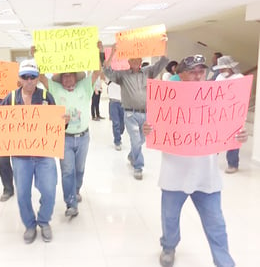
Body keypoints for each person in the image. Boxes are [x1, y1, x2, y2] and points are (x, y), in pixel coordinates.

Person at [143, 55, 248, 267]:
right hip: (174, 175)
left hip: (206, 176)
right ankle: (169, 246)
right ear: (181, 75)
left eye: (202, 71)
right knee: (170, 220)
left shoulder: (217, 99)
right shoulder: (167, 100)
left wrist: (238, 136)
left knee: (216, 224)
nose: (198, 75)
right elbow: (154, 129)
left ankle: (224, 261)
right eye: (193, 71)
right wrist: (149, 129)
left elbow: (229, 130)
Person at [0, 59, 58, 243]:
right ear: (20, 79)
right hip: (21, 157)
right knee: (22, 194)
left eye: (33, 77)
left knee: (49, 191)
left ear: (38, 78)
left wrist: (64, 121)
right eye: (25, 77)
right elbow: (0, 120)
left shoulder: (47, 97)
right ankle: (30, 225)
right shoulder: (12, 98)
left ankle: (44, 221)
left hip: (44, 154)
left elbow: (57, 124)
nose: (29, 80)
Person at [36, 41, 101, 218]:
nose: (67, 79)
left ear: (75, 77)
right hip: (63, 137)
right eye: (64, 76)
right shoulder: (55, 89)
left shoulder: (84, 87)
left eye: (70, 76)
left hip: (83, 137)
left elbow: (96, 72)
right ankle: (70, 202)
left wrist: (97, 52)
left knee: (79, 169)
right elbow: (41, 77)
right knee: (67, 171)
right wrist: (36, 55)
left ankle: (77, 189)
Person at [103, 43, 169, 180]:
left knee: (142, 139)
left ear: (140, 61)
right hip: (130, 113)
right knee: (135, 139)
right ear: (128, 61)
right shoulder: (123, 75)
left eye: (137, 59)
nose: (135, 62)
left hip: (146, 113)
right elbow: (107, 71)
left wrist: (163, 45)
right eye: (132, 60)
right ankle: (138, 166)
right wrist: (113, 53)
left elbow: (162, 62)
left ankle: (132, 155)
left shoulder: (148, 72)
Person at [213, 55, 244, 174]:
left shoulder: (239, 78)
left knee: (233, 139)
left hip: (234, 114)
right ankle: (208, 162)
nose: (221, 71)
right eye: (220, 69)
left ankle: (233, 164)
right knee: (215, 138)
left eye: (223, 68)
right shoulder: (219, 77)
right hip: (219, 113)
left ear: (230, 67)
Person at [107, 79, 125, 151]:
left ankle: (118, 133)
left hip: (123, 102)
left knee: (122, 123)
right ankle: (117, 141)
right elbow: (102, 75)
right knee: (116, 123)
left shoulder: (123, 75)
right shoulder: (109, 76)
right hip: (113, 102)